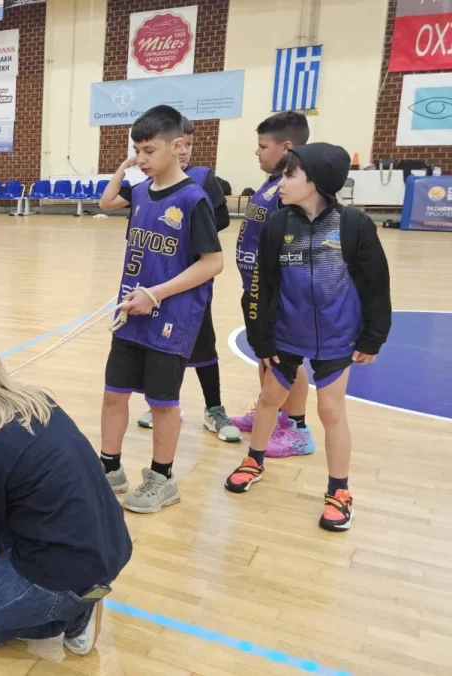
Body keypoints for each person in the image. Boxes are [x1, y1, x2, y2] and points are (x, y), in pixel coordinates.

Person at [0, 334, 131, 657]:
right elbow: (13, 486)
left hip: (64, 568)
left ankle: (72, 611)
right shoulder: (38, 404)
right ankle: (72, 596)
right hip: (108, 542)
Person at [226, 143, 390, 532]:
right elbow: (260, 288)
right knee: (270, 398)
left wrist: (373, 337)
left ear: (315, 181)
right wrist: (261, 340)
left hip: (337, 337)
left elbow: (376, 285)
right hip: (286, 334)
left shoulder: (354, 225)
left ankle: (339, 490)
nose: (280, 182)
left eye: (290, 174)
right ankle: (254, 460)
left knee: (331, 411)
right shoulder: (277, 225)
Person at [99, 104, 223, 513]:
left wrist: (155, 294)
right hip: (130, 312)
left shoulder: (193, 199)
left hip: (171, 318)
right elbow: (107, 202)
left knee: (162, 402)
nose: (141, 158)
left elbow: (212, 263)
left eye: (149, 150)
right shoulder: (140, 194)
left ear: (178, 146)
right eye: (137, 150)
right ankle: (110, 468)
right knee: (114, 394)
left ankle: (162, 477)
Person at [229, 111, 316, 458]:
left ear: (287, 147)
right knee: (265, 356)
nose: (258, 152)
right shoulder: (270, 183)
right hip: (254, 290)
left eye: (263, 146)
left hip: (278, 294)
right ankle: (272, 412)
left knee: (286, 362)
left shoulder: (293, 190)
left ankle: (297, 429)